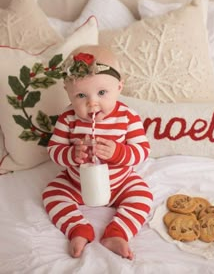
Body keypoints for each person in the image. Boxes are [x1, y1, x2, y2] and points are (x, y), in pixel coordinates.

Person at [42, 45, 153, 260]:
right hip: (77, 183)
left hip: (120, 183)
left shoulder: (127, 117)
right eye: (81, 95)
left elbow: (142, 151)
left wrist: (118, 153)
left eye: (102, 93)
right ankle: (77, 229)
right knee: (52, 193)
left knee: (143, 195)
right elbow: (54, 150)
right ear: (68, 92)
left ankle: (117, 233)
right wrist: (71, 155)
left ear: (119, 87)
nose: (92, 103)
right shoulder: (68, 118)